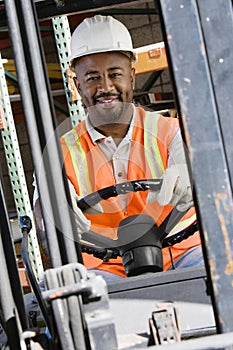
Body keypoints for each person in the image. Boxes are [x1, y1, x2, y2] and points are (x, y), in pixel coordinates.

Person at [34, 15, 204, 281]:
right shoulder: (57, 154)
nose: (105, 87)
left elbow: (208, 177)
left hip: (181, 255)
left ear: (132, 77)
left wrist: (192, 173)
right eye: (92, 78)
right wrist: (51, 209)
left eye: (115, 74)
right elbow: (44, 222)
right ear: (78, 85)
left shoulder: (171, 133)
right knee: (79, 300)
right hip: (105, 271)